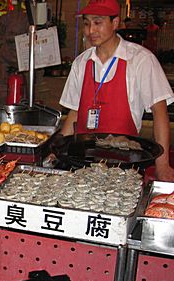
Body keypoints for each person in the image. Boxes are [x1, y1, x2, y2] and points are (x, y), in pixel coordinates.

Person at [58, 0, 174, 181]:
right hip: (81, 164)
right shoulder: (81, 62)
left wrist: (163, 165)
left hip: (124, 166)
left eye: (98, 23)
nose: (90, 31)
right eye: (87, 23)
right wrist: (57, 152)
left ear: (115, 23)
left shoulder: (141, 60)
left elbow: (160, 112)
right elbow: (74, 112)